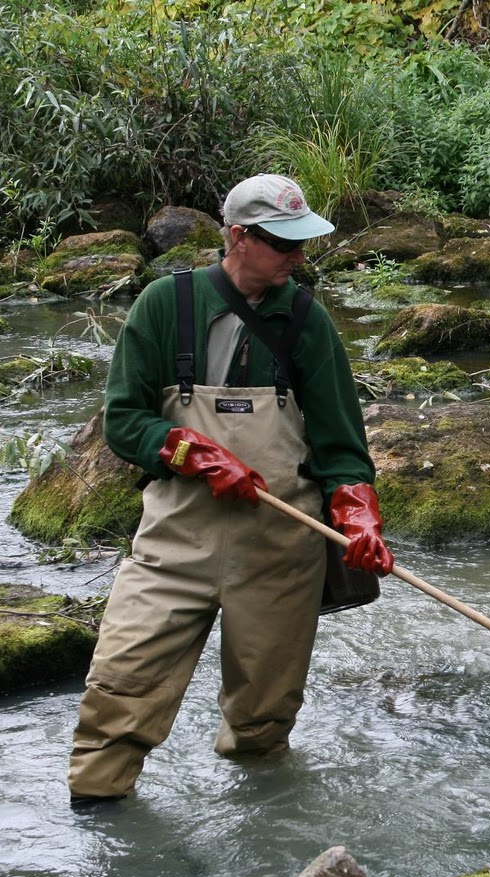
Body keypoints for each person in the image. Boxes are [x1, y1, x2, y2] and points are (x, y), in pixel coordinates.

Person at [67, 174, 393, 806]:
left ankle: (263, 842)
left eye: (302, 244)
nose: (299, 257)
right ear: (239, 237)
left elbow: (341, 447)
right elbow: (126, 420)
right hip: (174, 545)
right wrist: (191, 451)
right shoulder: (165, 306)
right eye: (283, 245)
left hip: (281, 549)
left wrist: (359, 516)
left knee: (263, 723)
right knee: (119, 688)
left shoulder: (307, 321)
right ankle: (99, 825)